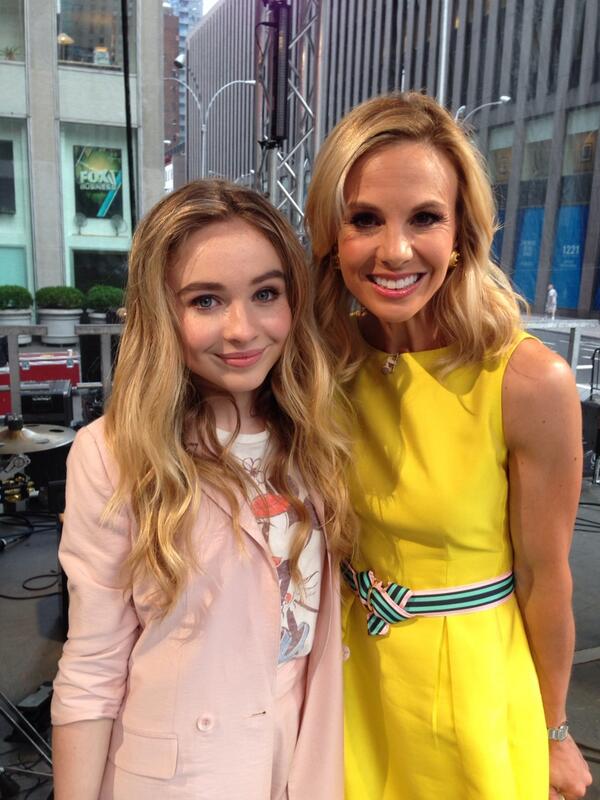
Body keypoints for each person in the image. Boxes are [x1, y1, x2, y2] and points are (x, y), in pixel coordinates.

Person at [305, 92, 593, 800]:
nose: (394, 250)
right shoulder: (320, 366)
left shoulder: (528, 381)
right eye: (364, 219)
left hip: (471, 694)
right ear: (331, 237)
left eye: (425, 218)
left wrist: (555, 732)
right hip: (345, 679)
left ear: (462, 231)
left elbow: (545, 578)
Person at [51, 180, 355, 800]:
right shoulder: (114, 451)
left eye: (265, 294)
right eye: (206, 301)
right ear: (163, 312)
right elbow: (92, 667)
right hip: (179, 778)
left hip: (298, 763)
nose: (242, 329)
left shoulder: (316, 435)